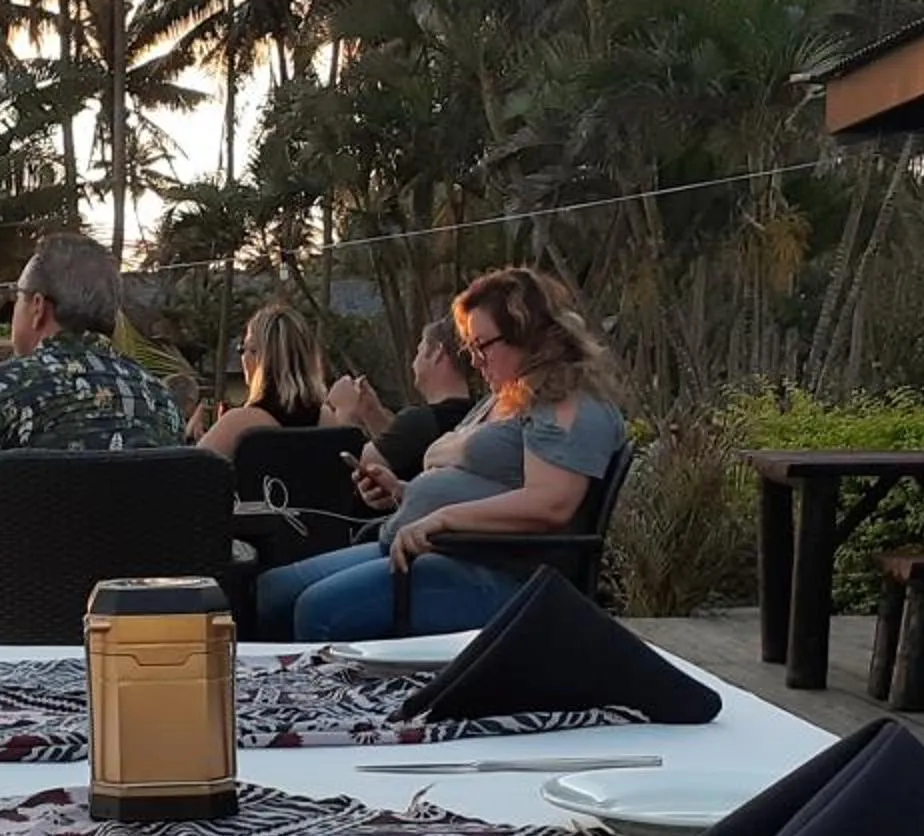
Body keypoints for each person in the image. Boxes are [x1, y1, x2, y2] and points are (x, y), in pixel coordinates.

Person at [252, 267, 626, 641]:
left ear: (527, 334)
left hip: (497, 574)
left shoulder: (568, 403)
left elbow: (550, 505)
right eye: (471, 348)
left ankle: (329, 700)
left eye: (483, 345)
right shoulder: (507, 398)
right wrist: (401, 492)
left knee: (317, 610)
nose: (476, 361)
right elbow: (490, 484)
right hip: (425, 550)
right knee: (271, 591)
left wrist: (442, 518)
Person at [0, 232, 181, 547]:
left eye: (17, 295)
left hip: (38, 595)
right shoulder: (158, 397)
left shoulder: (1, 393)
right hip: (142, 593)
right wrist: (1, 384)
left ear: (37, 307)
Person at [326, 317, 474, 481]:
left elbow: (358, 469)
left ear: (437, 353)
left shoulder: (420, 422)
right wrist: (371, 412)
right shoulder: (478, 414)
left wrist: (344, 410)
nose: (413, 363)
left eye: (419, 350)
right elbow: (396, 448)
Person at [191, 301, 330, 457]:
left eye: (242, 349)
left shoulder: (240, 423)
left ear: (259, 356)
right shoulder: (328, 420)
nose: (242, 358)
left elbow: (188, 473)